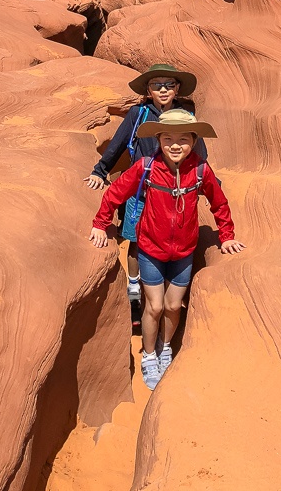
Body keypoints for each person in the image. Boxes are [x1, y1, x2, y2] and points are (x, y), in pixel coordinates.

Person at [89, 109, 245, 390]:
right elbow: (115, 193)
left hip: (184, 252)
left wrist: (227, 236)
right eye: (168, 138)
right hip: (150, 248)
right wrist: (101, 224)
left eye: (183, 139)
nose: (175, 145)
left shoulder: (200, 170)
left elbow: (219, 203)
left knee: (174, 307)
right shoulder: (147, 166)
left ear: (194, 140)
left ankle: (165, 347)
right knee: (155, 306)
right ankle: (149, 355)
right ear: (158, 139)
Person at [83, 64, 205, 302]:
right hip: (140, 189)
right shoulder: (138, 114)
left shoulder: (186, 117)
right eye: (156, 85)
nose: (163, 90)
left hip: (172, 193)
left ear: (177, 89)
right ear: (148, 90)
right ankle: (133, 284)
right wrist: (100, 170)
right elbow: (118, 143)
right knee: (136, 239)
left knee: (169, 241)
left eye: (169, 85)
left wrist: (209, 184)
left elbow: (199, 153)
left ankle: (162, 291)